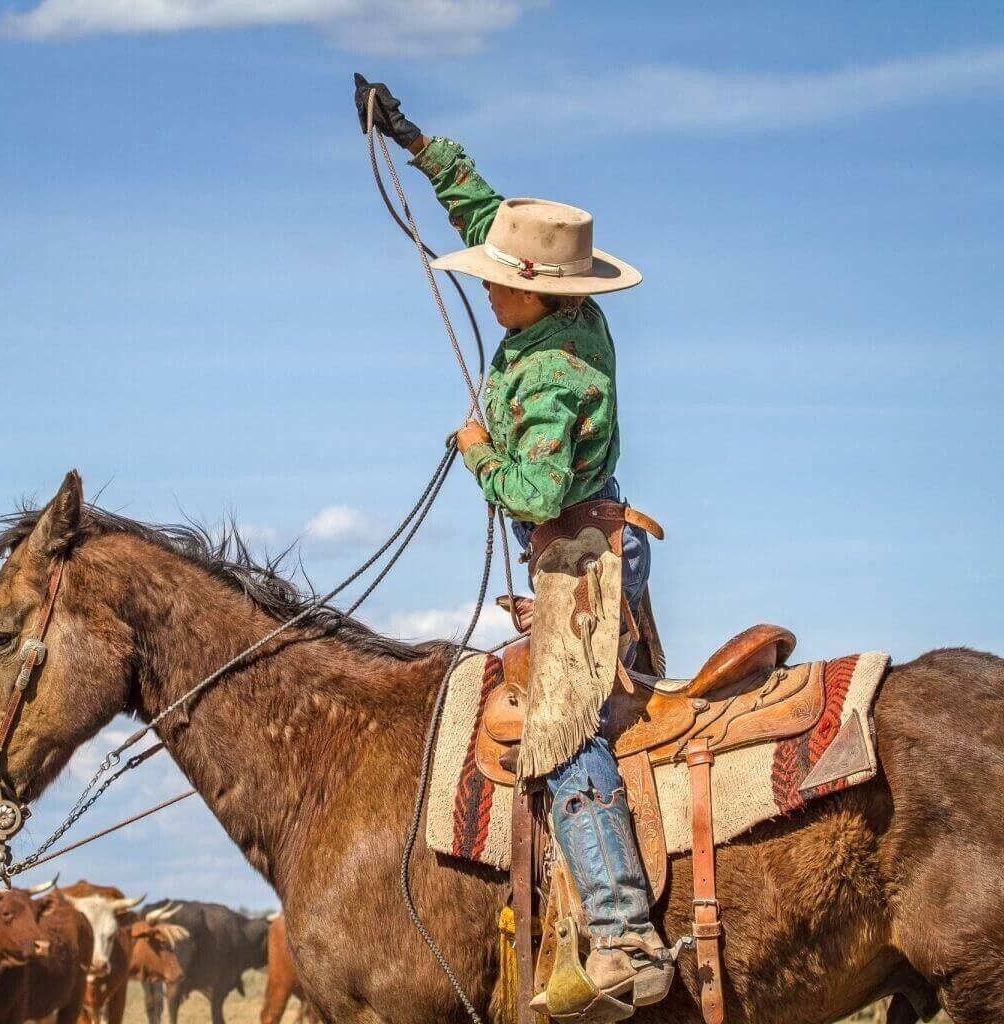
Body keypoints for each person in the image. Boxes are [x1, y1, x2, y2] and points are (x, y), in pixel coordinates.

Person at [355, 76, 670, 1016]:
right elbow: (485, 209)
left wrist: (476, 454)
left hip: (581, 554)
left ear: (539, 292)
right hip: (590, 534)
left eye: (500, 282)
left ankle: (622, 934)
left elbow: (534, 490)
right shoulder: (558, 312)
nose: (489, 287)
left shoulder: (556, 377)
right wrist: (412, 137)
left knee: (564, 731)